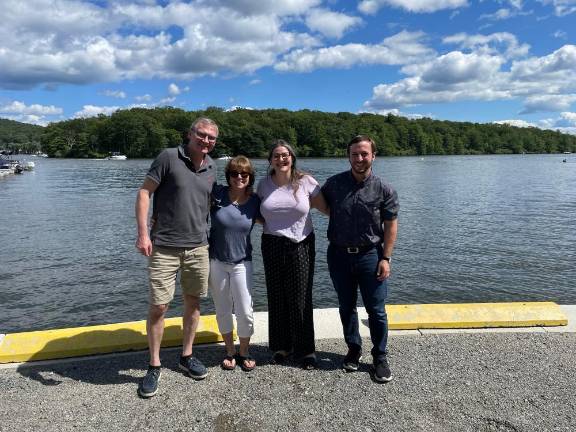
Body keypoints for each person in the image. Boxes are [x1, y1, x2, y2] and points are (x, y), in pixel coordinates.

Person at [135, 117, 219, 398]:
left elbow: (208, 205)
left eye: (211, 138)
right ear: (190, 134)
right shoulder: (169, 157)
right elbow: (145, 192)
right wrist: (143, 234)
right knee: (159, 306)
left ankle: (186, 355)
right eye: (201, 135)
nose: (205, 141)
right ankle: (154, 363)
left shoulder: (212, 166)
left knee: (193, 303)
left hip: (198, 247)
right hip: (165, 246)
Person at [320, 135, 399, 382]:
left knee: (376, 310)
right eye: (355, 154)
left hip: (370, 256)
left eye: (364, 154)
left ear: (373, 156)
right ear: (349, 156)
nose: (359, 158)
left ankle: (380, 356)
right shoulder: (333, 184)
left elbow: (391, 226)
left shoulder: (384, 189)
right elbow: (316, 203)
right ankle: (353, 349)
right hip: (339, 255)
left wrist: (386, 257)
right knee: (346, 307)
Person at [257, 140, 326, 369]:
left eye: (285, 155)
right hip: (271, 243)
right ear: (270, 161)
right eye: (276, 156)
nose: (281, 159)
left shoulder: (306, 181)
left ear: (292, 157)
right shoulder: (264, 185)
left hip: (301, 243)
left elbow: (327, 208)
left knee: (300, 298)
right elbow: (256, 213)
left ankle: (306, 350)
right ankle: (281, 346)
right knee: (276, 296)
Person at [209, 156, 260, 372]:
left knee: (245, 310)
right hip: (216, 261)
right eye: (234, 174)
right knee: (222, 308)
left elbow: (276, 216)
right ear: (228, 177)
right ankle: (230, 351)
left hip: (242, 262)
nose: (239, 177)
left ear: (250, 177)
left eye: (244, 174)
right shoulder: (218, 195)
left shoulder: (256, 201)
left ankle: (244, 351)